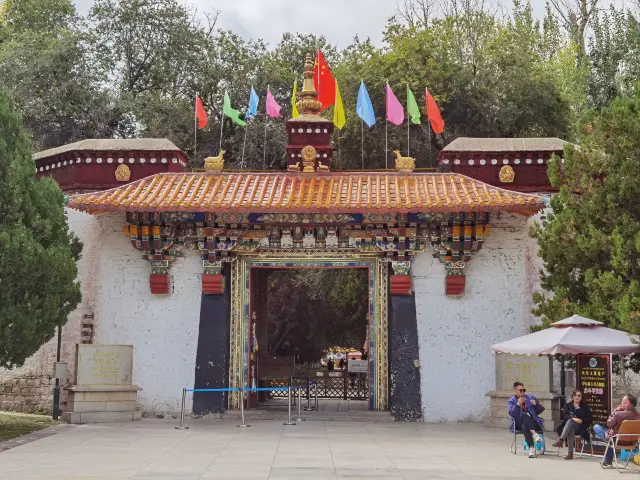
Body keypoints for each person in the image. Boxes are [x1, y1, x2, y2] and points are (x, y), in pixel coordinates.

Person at [593, 394, 640, 467]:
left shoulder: (618, 414)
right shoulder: (638, 416)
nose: (621, 403)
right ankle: (607, 461)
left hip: (616, 440)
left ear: (626, 403)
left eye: (622, 401)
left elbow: (609, 424)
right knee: (610, 435)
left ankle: (608, 461)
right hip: (632, 442)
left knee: (596, 427)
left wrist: (614, 412)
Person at [508, 381, 545, 458]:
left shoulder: (530, 397)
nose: (522, 392)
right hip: (519, 424)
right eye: (520, 390)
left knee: (526, 423)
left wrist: (536, 404)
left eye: (523, 390)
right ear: (515, 390)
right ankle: (534, 435)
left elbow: (540, 410)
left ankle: (532, 449)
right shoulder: (511, 401)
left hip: (533, 422)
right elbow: (512, 414)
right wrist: (518, 405)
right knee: (524, 417)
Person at [552, 389, 592, 459]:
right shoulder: (568, 405)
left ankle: (561, 440)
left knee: (570, 422)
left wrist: (581, 420)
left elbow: (590, 419)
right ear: (572, 396)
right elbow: (565, 416)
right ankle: (570, 453)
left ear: (581, 397)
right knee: (571, 426)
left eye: (579, 395)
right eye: (575, 395)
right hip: (569, 427)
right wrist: (574, 419)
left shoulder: (585, 406)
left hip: (581, 427)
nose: (577, 397)